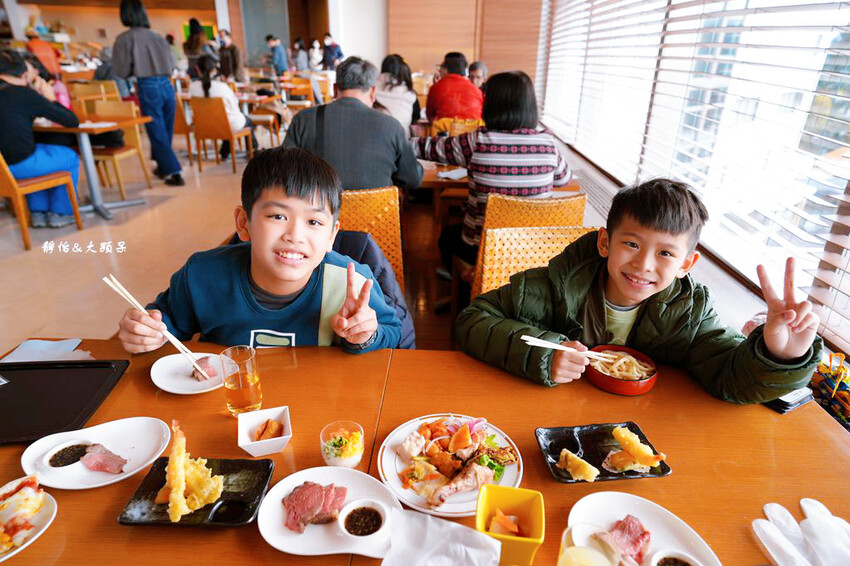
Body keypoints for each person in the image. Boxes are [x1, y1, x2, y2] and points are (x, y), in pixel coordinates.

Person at [455, 179, 823, 404]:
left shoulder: (690, 314)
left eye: (665, 253)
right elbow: (472, 321)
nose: (644, 264)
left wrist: (780, 356)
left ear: (686, 265)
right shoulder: (551, 286)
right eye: (631, 244)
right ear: (605, 242)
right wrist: (540, 355)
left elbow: (732, 379)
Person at [116, 146, 402, 353]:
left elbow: (392, 332)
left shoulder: (350, 283)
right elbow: (165, 321)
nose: (295, 235)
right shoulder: (203, 275)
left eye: (314, 221)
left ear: (331, 235)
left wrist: (364, 335)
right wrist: (146, 331)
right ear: (244, 223)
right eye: (278, 216)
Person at [413, 71, 571, 268]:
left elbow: (425, 148)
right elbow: (564, 179)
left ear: (490, 104)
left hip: (482, 250)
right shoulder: (548, 143)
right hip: (531, 250)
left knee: (446, 237)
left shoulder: (476, 142)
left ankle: (469, 282)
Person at [283, 56, 422, 191]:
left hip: (321, 212)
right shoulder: (391, 126)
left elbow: (284, 172)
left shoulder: (303, 119)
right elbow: (412, 179)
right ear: (373, 92)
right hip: (375, 213)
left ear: (334, 89)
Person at [0, 50, 80, 228]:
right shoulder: (23, 93)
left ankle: (38, 212)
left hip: (2, 170)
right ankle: (61, 213)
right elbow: (71, 120)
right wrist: (50, 97)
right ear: (24, 73)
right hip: (19, 165)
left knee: (36, 151)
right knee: (69, 157)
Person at [113, 0, 184, 186]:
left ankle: (174, 172)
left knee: (156, 131)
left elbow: (121, 70)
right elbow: (172, 63)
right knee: (164, 131)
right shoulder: (158, 37)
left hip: (148, 85)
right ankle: (163, 167)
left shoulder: (124, 39)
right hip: (168, 85)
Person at [188, 54, 257, 161]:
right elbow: (234, 107)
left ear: (197, 69)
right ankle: (253, 151)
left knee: (226, 120)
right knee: (245, 120)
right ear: (214, 70)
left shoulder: (192, 87)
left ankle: (224, 152)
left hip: (204, 126)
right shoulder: (223, 87)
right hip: (227, 124)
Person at [425, 52, 483, 121]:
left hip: (444, 130)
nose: (439, 70)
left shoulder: (436, 88)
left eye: (441, 67)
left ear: (446, 70)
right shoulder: (477, 90)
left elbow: (430, 116)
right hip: (471, 130)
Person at [375, 54, 418, 133]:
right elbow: (416, 116)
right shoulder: (408, 92)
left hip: (377, 138)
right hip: (402, 138)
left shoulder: (372, 87)